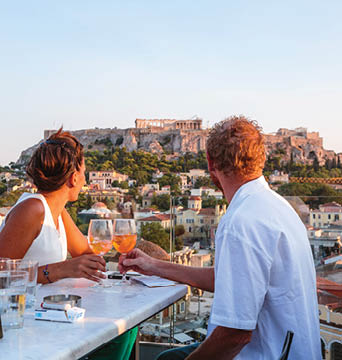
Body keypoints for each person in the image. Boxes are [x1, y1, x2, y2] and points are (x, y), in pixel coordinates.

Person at [119, 116, 321, 359]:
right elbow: (228, 278)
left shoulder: (241, 221)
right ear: (262, 159)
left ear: (210, 162)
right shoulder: (279, 207)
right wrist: (152, 265)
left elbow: (235, 335)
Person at [0, 128, 137, 360]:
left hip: (48, 313)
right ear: (74, 178)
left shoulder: (57, 210)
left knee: (126, 326)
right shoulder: (31, 209)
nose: (85, 178)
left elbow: (86, 253)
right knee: (119, 331)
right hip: (19, 322)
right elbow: (2, 272)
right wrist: (61, 269)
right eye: (84, 172)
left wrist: (122, 253)